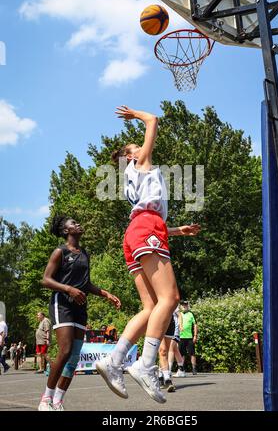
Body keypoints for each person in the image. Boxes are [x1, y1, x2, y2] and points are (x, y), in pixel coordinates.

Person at [95, 106, 200, 404]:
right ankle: (146, 363)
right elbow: (153, 119)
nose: (141, 146)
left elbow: (147, 214)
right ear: (130, 156)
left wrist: (178, 231)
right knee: (170, 299)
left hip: (136, 232)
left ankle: (115, 361)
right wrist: (136, 115)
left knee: (150, 305)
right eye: (135, 146)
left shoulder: (133, 178)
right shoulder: (141, 163)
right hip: (147, 228)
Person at [37, 215, 121, 411]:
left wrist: (106, 294)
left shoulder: (84, 253)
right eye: (73, 224)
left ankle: (58, 401)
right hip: (62, 304)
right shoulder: (60, 252)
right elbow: (46, 280)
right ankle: (45, 399)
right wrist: (69, 290)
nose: (78, 224)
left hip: (80, 307)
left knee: (74, 357)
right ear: (66, 231)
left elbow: (86, 284)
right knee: (65, 351)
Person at [177, 301, 198, 375]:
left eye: (185, 305)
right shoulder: (178, 314)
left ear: (188, 306)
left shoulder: (191, 314)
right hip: (181, 337)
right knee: (181, 354)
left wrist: (195, 335)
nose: (184, 306)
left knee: (192, 353)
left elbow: (195, 325)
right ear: (180, 306)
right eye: (182, 305)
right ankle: (181, 369)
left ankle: (194, 369)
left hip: (190, 337)